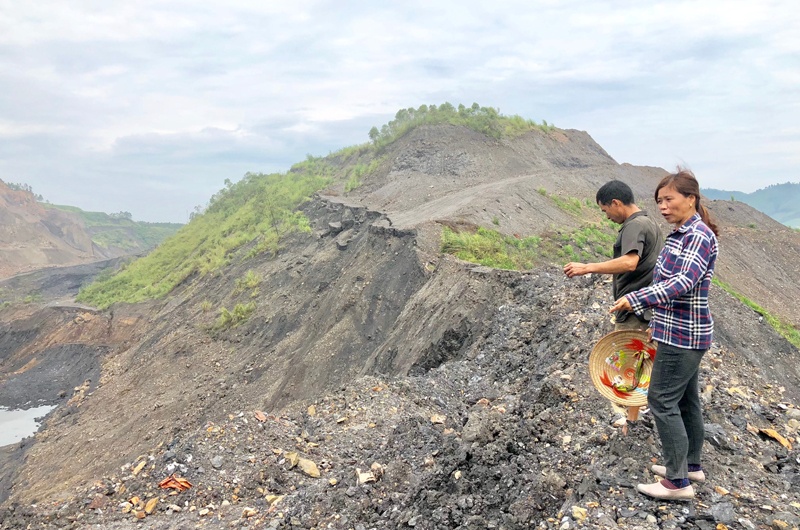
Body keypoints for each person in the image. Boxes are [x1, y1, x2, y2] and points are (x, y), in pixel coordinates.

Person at [609, 168, 719, 501]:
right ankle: (691, 465)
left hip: (684, 335)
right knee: (686, 399)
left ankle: (676, 482)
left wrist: (635, 297)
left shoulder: (697, 236)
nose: (663, 206)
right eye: (659, 201)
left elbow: (681, 283)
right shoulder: (681, 234)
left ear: (691, 199)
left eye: (669, 199)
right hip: (678, 331)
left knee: (661, 400)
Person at [564, 180, 664, 434]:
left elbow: (630, 262)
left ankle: (632, 422)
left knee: (632, 362)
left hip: (635, 308)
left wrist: (587, 267)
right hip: (645, 305)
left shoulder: (634, 226)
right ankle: (635, 415)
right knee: (639, 361)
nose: (606, 216)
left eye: (605, 210)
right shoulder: (648, 222)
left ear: (616, 203)